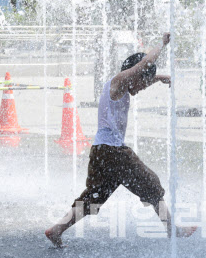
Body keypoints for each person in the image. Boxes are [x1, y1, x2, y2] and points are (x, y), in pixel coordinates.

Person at [45, 33, 196, 248]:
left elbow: (143, 74)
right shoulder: (118, 82)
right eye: (142, 84)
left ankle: (57, 230)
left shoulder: (119, 86)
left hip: (100, 151)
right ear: (133, 74)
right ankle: (173, 230)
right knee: (152, 184)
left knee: (94, 198)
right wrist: (162, 43)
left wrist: (159, 78)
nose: (141, 89)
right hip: (113, 150)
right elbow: (145, 64)